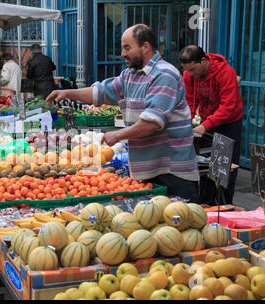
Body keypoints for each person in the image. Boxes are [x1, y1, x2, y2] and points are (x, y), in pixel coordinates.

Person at [46, 24, 200, 202]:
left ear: (146, 47)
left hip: (173, 172)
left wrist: (118, 135)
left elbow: (152, 122)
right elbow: (101, 92)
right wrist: (68, 93)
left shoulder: (164, 75)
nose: (122, 53)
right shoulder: (130, 75)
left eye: (128, 47)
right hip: (147, 170)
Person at [179, 45, 243, 205]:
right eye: (188, 71)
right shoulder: (188, 74)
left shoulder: (225, 72)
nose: (191, 74)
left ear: (203, 60)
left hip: (229, 123)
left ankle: (225, 206)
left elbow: (228, 107)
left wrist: (205, 125)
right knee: (206, 168)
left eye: (193, 69)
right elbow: (189, 101)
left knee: (224, 171)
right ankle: (206, 206)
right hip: (208, 123)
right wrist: (187, 120)